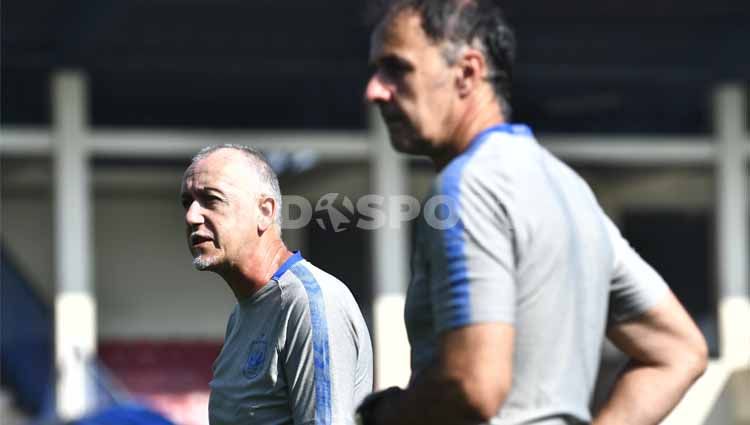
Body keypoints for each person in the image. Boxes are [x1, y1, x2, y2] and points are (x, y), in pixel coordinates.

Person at [356, 1, 708, 424]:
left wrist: (387, 414)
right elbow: (678, 350)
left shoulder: (468, 186)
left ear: (467, 72)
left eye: (396, 68)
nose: (374, 90)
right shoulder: (569, 188)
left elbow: (474, 386)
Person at [180, 145, 373, 425]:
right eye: (187, 202)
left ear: (265, 211)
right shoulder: (242, 314)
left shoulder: (308, 302)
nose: (192, 217)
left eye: (211, 200)